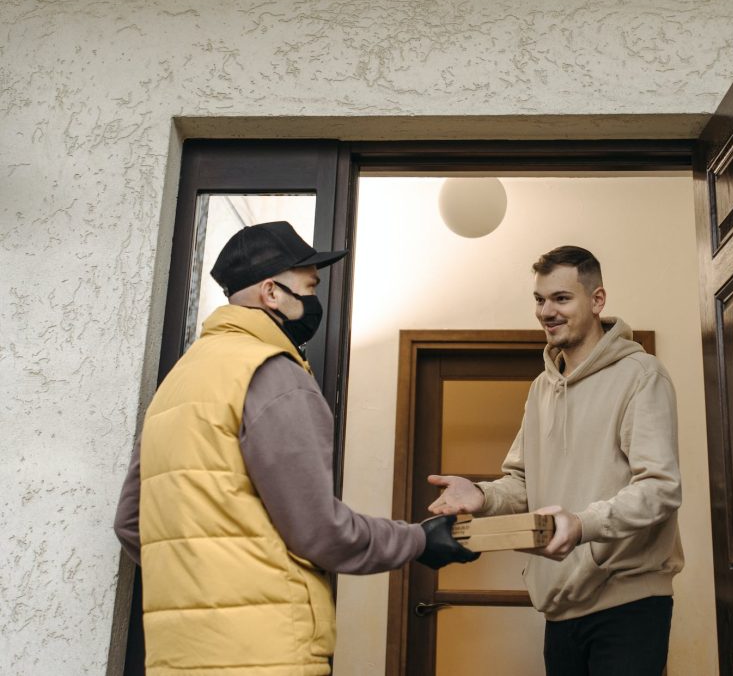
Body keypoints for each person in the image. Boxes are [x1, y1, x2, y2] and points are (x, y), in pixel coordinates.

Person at [114, 221, 476, 676]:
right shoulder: (274, 374)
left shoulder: (179, 382)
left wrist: (206, 574)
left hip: (179, 657)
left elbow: (131, 524)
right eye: (310, 287)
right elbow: (319, 531)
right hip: (266, 652)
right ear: (271, 292)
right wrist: (419, 540)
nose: (314, 300)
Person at [427, 245, 683, 676]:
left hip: (630, 604)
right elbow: (522, 483)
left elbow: (660, 489)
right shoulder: (541, 389)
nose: (547, 311)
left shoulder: (642, 376)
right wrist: (482, 496)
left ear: (597, 300)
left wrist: (582, 525)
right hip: (560, 608)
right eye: (540, 299)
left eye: (561, 298)